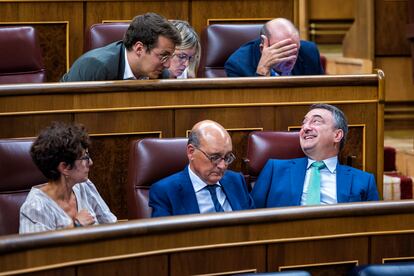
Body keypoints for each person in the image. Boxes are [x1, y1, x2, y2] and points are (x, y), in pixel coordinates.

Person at [251, 103, 379, 208]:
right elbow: (251, 214)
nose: (305, 128)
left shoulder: (364, 180)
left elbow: (374, 226)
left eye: (316, 121)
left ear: (337, 135)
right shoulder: (275, 169)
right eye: (304, 123)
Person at [19, 122, 116, 234]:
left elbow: (111, 224)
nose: (90, 162)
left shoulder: (84, 186)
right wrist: (75, 226)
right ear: (64, 167)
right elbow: (36, 250)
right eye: (85, 157)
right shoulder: (35, 207)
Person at [149, 120, 254, 217]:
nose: (222, 166)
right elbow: (164, 237)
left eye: (227, 157)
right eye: (215, 157)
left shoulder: (236, 181)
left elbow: (253, 227)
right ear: (191, 152)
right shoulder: (165, 192)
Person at [61, 12, 181, 82]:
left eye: (171, 56)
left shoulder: (161, 74)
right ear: (139, 49)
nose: (168, 65)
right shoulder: (96, 67)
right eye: (163, 56)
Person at [224, 18, 324, 77]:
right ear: (263, 48)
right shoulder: (237, 65)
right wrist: (263, 70)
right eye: (282, 51)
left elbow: (322, 96)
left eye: (294, 50)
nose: (290, 58)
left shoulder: (309, 51)